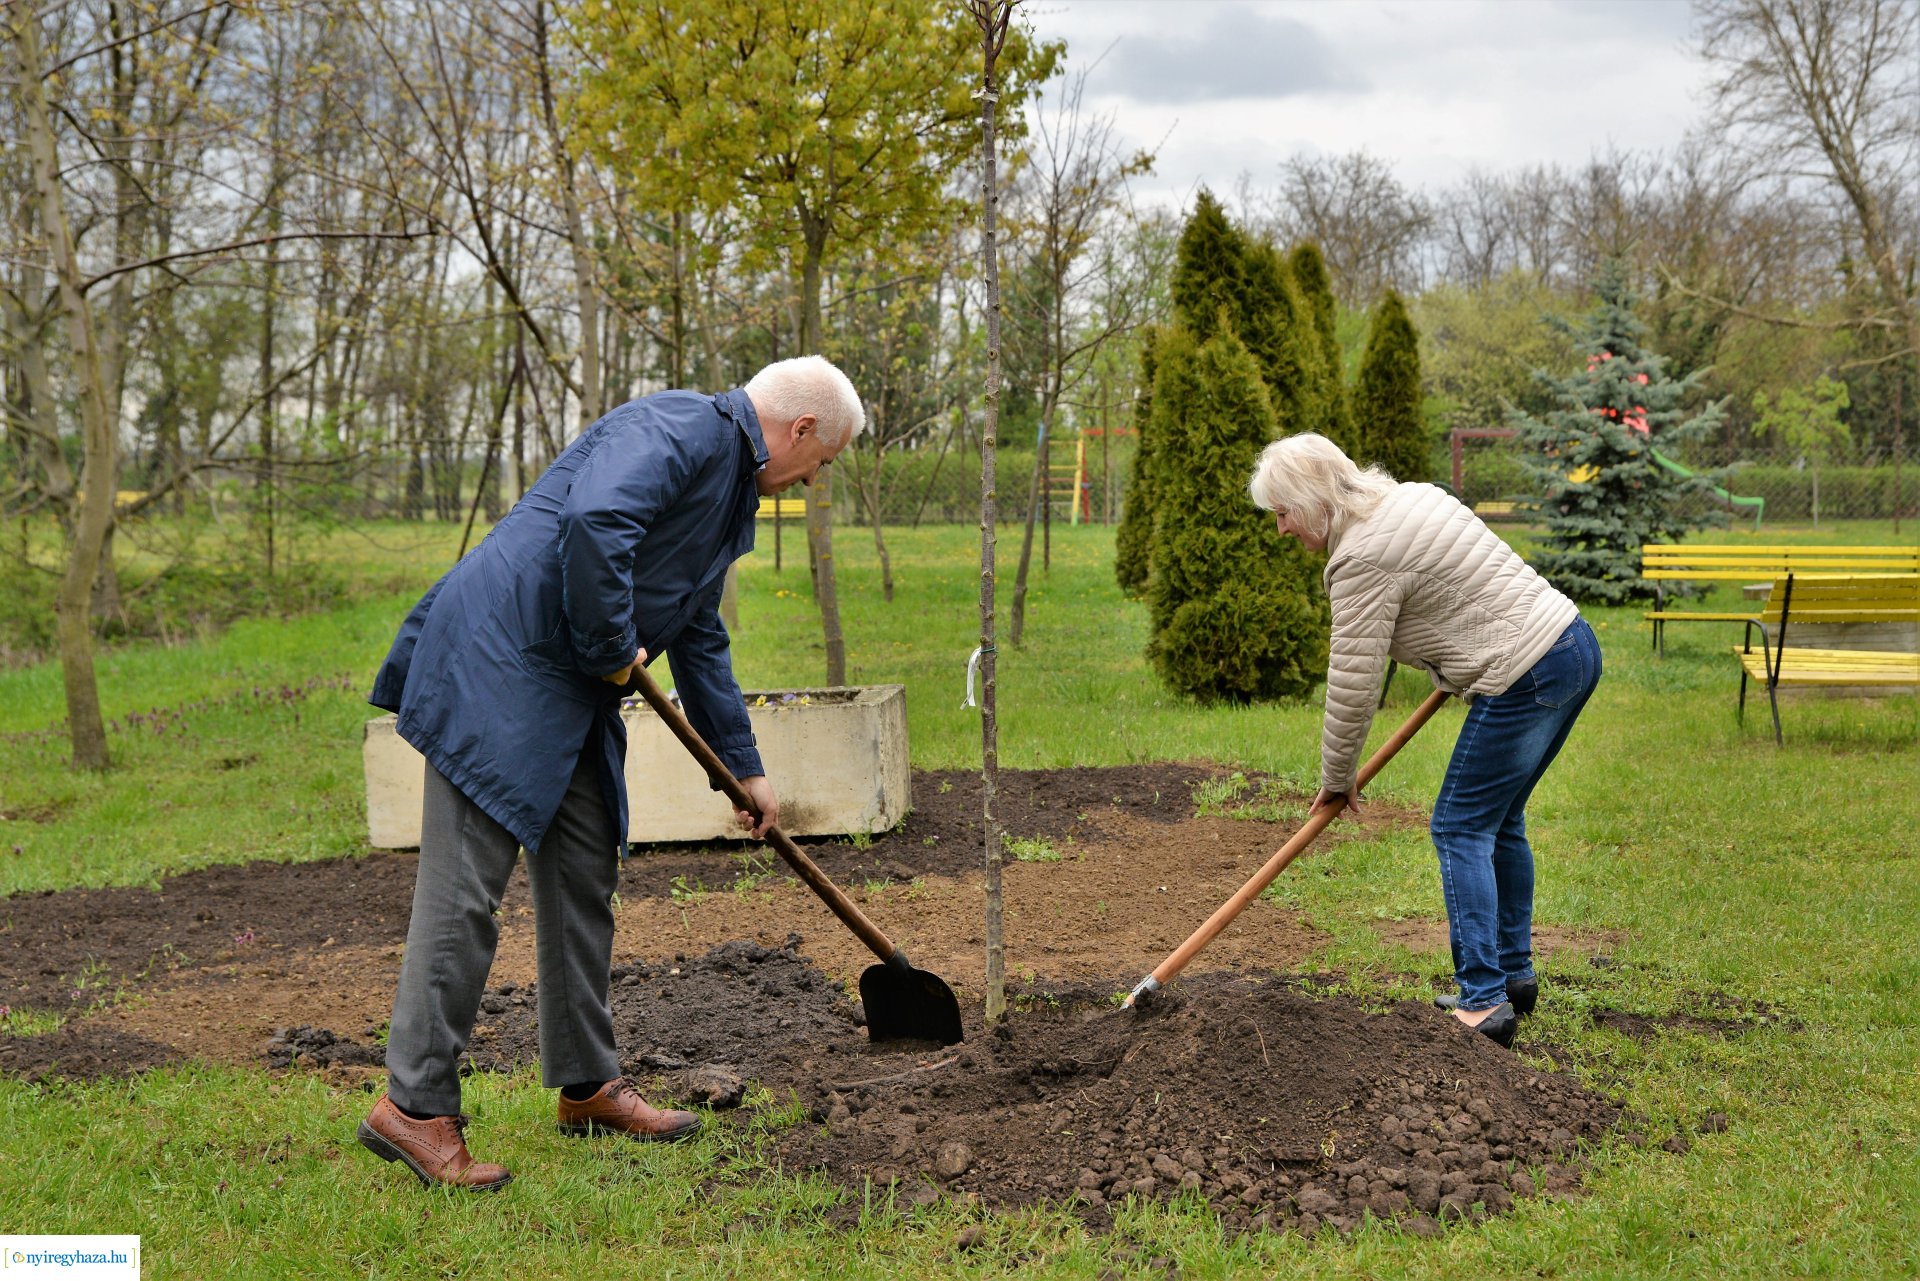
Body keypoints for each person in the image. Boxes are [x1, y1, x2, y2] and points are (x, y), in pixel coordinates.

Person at [357, 356, 864, 1189]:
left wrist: (744, 768)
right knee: (464, 893)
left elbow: (698, 631)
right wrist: (608, 642)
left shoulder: (728, 487)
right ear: (801, 428)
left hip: (570, 682)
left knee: (583, 871)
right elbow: (596, 519)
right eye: (823, 460)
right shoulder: (684, 428)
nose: (814, 479)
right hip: (502, 662)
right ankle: (413, 1105)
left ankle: (587, 1084)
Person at [1249, 434, 1600, 1049]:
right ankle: (1513, 977)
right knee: (1500, 821)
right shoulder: (1412, 498)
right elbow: (1467, 591)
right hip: (1571, 645)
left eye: (1282, 513)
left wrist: (1337, 778)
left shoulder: (1359, 558)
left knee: (1459, 826)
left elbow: (1353, 685)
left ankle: (1484, 1001)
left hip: (1524, 672)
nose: (1280, 529)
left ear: (1311, 501)